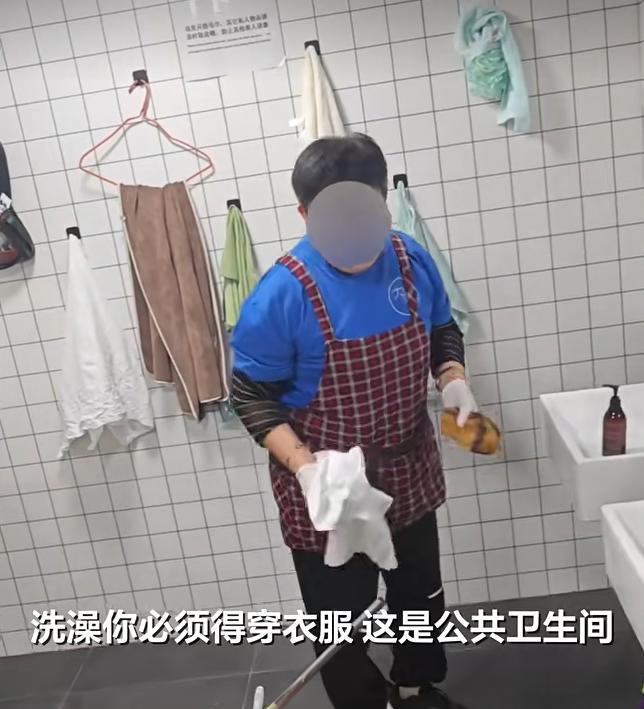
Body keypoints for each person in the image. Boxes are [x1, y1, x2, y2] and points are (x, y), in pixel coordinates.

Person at [230, 134, 475, 709]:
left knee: (420, 598)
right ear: (304, 214)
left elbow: (442, 327)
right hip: (328, 487)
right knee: (339, 622)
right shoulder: (283, 292)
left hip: (408, 468)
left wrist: (452, 378)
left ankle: (416, 688)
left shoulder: (410, 260)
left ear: (382, 200)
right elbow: (250, 393)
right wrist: (306, 469)